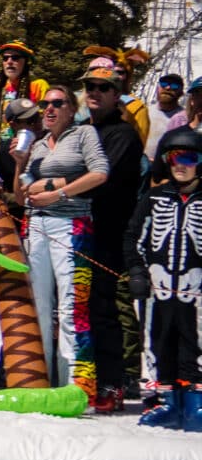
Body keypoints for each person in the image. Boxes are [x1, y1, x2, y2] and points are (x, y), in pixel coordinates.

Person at [13, 85, 110, 397]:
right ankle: (40, 381)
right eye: (46, 104)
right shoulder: (39, 145)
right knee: (39, 306)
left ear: (72, 109)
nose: (50, 109)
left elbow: (100, 173)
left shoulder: (84, 135)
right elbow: (21, 194)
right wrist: (19, 162)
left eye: (58, 103)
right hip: (36, 226)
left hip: (71, 224)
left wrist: (57, 191)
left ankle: (77, 387)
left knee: (72, 306)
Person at [128, 127, 202, 430]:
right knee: (158, 342)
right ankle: (165, 400)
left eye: (189, 157)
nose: (180, 164)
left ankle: (195, 402)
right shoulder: (155, 197)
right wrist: (136, 270)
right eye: (173, 157)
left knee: (195, 343)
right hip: (158, 288)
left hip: (196, 291)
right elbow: (134, 236)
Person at [82, 60, 146, 411]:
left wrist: (60, 188)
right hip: (79, 230)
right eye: (89, 86)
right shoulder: (83, 131)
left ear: (117, 94)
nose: (94, 92)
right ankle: (84, 376)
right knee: (77, 307)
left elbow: (99, 178)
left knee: (104, 308)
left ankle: (113, 382)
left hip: (109, 233)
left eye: (102, 87)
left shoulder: (122, 134)